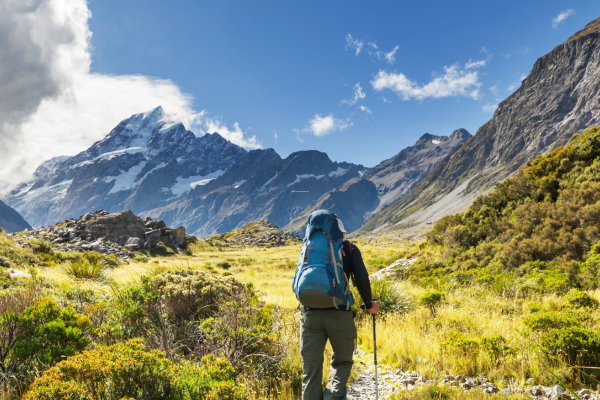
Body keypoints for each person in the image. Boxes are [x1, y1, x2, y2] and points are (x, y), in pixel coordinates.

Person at [300, 218, 379, 400]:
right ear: (342, 233)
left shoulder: (309, 247)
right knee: (342, 363)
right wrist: (369, 305)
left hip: (309, 314)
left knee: (310, 370)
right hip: (339, 313)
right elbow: (361, 279)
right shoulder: (349, 249)